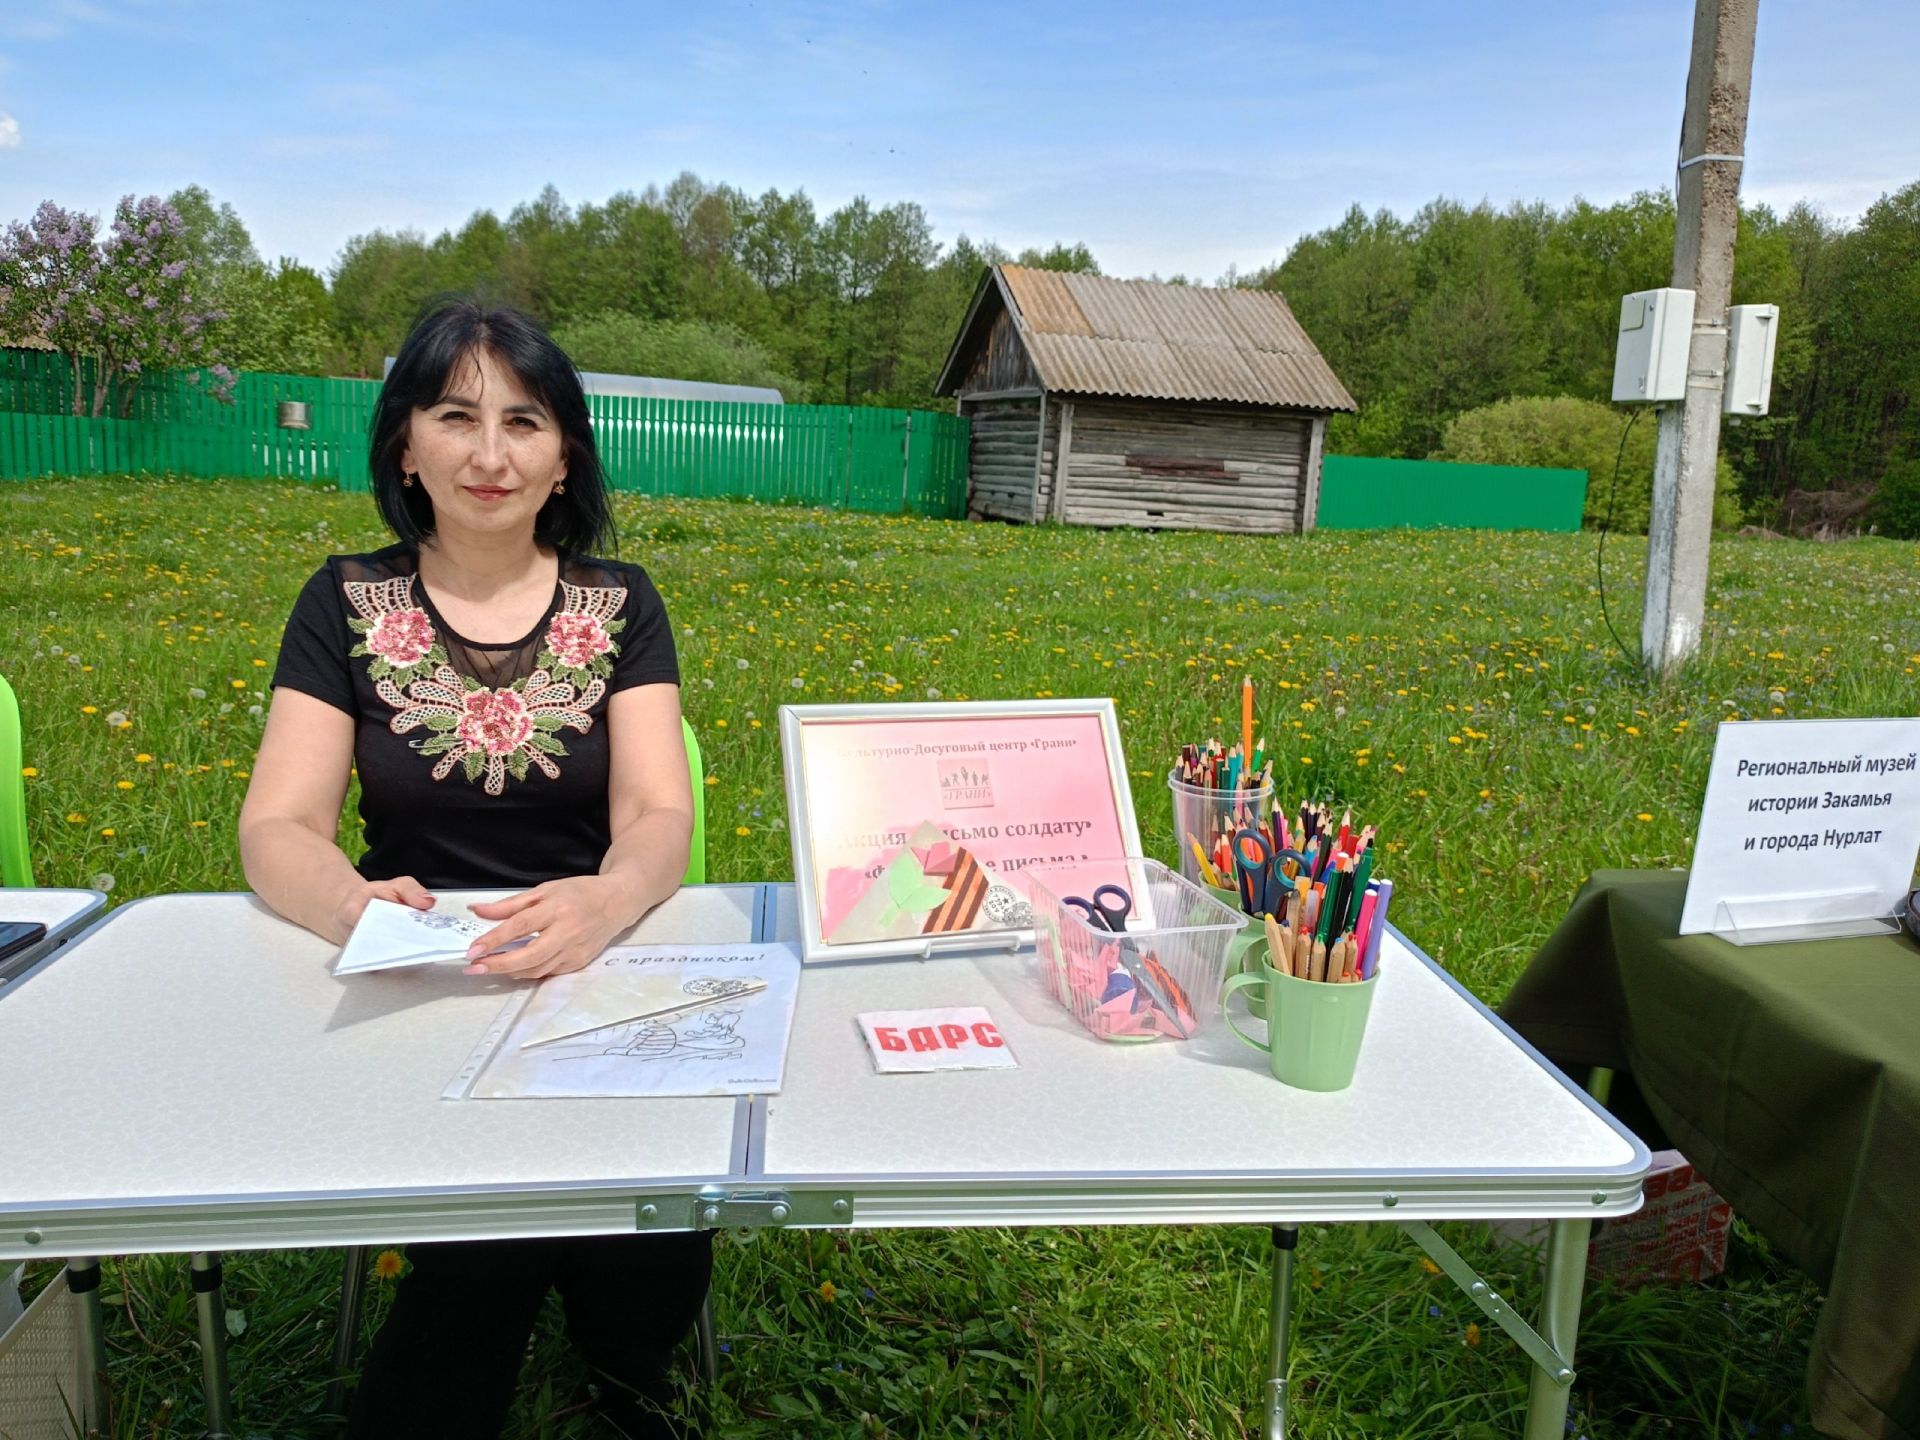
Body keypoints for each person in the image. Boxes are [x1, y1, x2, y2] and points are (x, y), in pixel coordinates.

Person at [238, 298, 708, 1439]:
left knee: (646, 1246)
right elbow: (278, 826)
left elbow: (658, 811)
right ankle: (582, 1339)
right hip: (414, 983)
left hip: (590, 972)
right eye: (455, 417)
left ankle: (591, 1323)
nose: (489, 455)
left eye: (523, 421)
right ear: (405, 444)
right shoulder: (345, 601)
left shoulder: (621, 603)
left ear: (565, 458)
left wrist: (610, 898)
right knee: (512, 1246)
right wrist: (354, 907)